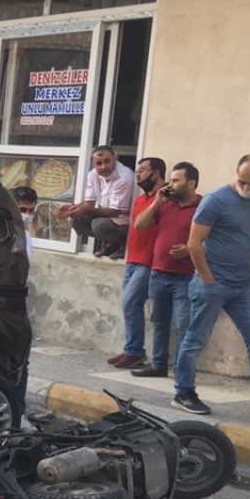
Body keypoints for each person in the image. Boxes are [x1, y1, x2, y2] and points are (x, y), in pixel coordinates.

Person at [171, 154, 250, 419]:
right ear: (236, 174)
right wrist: (208, 278)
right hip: (213, 284)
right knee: (195, 339)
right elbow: (194, 243)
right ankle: (183, 393)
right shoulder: (215, 201)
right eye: (242, 181)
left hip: (243, 286)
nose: (246, 189)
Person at [131, 162, 201, 379]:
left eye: (176, 180)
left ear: (191, 183)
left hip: (185, 277)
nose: (170, 184)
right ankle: (158, 364)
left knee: (182, 325)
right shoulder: (166, 203)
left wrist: (190, 249)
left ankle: (183, 370)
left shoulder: (203, 206)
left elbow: (215, 238)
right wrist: (157, 201)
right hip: (158, 273)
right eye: (170, 180)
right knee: (159, 321)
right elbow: (139, 225)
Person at [102, 157, 167, 370]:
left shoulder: (165, 198)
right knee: (131, 305)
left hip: (149, 262)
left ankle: (135, 352)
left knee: (131, 303)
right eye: (137, 171)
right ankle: (133, 349)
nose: (137, 174)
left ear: (156, 173)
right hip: (133, 259)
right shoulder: (140, 199)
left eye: (142, 171)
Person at [58, 146, 136, 258]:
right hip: (108, 217)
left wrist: (83, 210)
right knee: (77, 221)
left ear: (115, 158)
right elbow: (88, 203)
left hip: (123, 221)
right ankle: (112, 243)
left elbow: (115, 212)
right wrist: (73, 208)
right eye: (99, 163)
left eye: (107, 161)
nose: (103, 167)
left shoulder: (125, 176)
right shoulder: (93, 175)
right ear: (94, 164)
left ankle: (124, 245)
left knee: (99, 225)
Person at [12, 186, 38, 413]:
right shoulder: (4, 230)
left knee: (21, 365)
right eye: (22, 209)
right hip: (1, 304)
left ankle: (17, 413)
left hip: (16, 303)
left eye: (31, 210)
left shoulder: (26, 235)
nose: (27, 215)